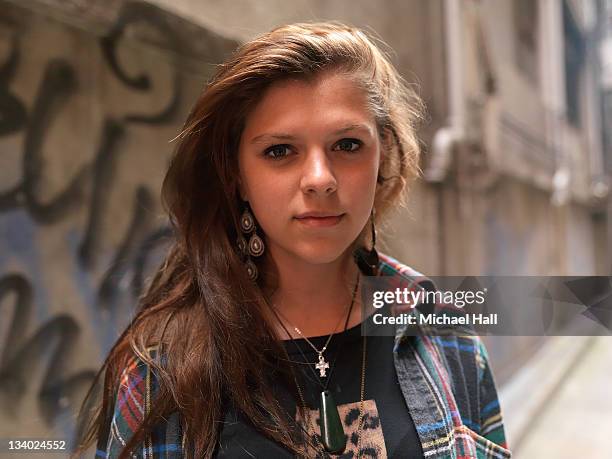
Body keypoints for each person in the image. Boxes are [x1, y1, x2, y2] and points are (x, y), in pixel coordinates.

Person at [75, 21, 512, 459]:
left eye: (347, 144)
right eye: (280, 151)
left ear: (383, 156)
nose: (320, 179)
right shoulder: (163, 372)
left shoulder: (443, 329)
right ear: (237, 177)